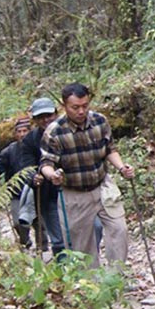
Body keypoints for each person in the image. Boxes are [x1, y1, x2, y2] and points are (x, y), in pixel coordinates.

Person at [39, 83, 134, 269]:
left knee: (119, 230)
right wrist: (53, 175)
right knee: (82, 246)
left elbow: (110, 149)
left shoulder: (99, 121)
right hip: (74, 194)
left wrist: (122, 167)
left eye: (85, 106)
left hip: (102, 186)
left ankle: (116, 276)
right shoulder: (54, 131)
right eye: (75, 107)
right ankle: (92, 286)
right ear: (64, 106)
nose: (81, 111)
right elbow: (46, 164)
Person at [18, 98, 64, 256]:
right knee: (58, 239)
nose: (46, 120)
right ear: (35, 120)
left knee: (80, 232)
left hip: (73, 190)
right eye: (41, 117)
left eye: (49, 115)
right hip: (47, 194)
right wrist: (34, 178)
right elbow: (27, 168)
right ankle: (64, 271)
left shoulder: (67, 131)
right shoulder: (30, 141)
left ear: (56, 114)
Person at [0, 117, 34, 249]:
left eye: (25, 131)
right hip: (16, 193)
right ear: (15, 134)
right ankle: (25, 240)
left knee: (40, 223)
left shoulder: (37, 147)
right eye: (19, 131)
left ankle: (43, 249)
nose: (22, 134)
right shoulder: (9, 151)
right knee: (17, 222)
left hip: (35, 191)